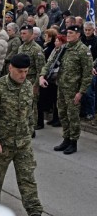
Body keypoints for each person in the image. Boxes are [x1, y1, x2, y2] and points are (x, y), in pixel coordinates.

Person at [0, 53, 43, 216]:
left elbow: (30, 112)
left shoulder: (28, 86)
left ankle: (35, 211)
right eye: (20, 71)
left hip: (23, 144)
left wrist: (29, 131)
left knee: (28, 180)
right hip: (2, 145)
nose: (23, 75)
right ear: (10, 68)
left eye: (26, 71)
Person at [39, 26, 93, 155]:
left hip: (74, 90)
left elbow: (87, 75)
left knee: (73, 116)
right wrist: (42, 76)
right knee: (62, 115)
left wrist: (81, 92)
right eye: (67, 32)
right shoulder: (64, 48)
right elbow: (50, 62)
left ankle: (73, 142)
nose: (68, 35)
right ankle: (66, 139)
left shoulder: (83, 51)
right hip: (61, 88)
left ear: (78, 35)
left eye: (71, 33)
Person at [18, 25, 45, 137]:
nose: (22, 35)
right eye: (21, 33)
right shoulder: (21, 47)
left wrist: (36, 85)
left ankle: (31, 128)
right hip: (21, 81)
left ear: (31, 34)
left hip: (31, 80)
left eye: (24, 33)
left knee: (31, 106)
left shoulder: (36, 49)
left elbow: (41, 69)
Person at [80, 21, 97, 121]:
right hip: (81, 69)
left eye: (89, 30)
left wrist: (91, 66)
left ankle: (90, 112)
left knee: (89, 92)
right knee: (82, 91)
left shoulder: (95, 41)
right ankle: (83, 111)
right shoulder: (81, 40)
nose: (87, 32)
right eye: (85, 30)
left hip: (92, 70)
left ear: (93, 30)